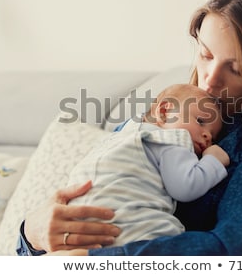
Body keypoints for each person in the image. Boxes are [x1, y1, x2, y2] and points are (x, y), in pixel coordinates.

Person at [17, 0, 242, 256]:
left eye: (236, 68)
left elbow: (233, 249)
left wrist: (93, 260)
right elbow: (93, 192)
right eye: (206, 55)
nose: (210, 80)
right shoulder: (163, 117)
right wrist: (31, 233)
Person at [63, 83, 229, 247]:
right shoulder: (173, 139)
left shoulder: (119, 136)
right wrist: (213, 160)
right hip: (133, 231)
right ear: (164, 113)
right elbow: (185, 187)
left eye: (213, 137)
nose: (207, 135)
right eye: (200, 121)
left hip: (78, 229)